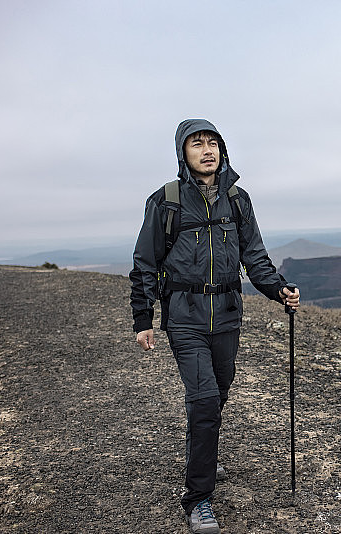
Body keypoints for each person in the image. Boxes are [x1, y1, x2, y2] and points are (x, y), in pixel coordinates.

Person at [129, 118, 300, 533]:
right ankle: (198, 499)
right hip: (184, 317)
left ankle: (200, 450)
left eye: (213, 143)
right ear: (182, 153)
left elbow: (254, 255)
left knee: (219, 390)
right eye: (196, 144)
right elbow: (145, 262)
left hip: (226, 314)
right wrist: (143, 317)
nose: (207, 150)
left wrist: (278, 289)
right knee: (204, 398)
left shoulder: (238, 200)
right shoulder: (166, 201)